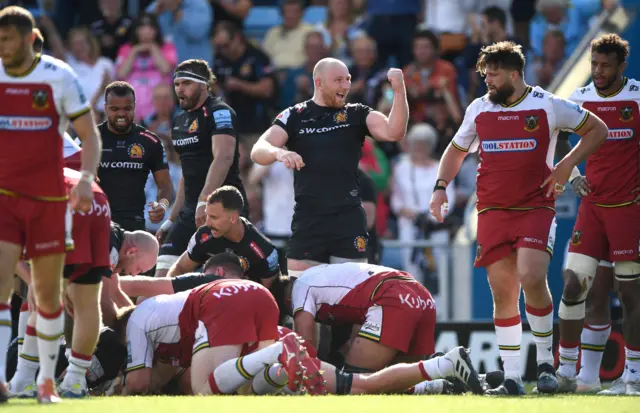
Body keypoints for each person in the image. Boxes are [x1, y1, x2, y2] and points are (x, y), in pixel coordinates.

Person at [428, 41, 608, 395]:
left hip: (535, 207)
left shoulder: (547, 104)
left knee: (531, 276)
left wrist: (566, 164)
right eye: (485, 76)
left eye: (493, 76)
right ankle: (512, 377)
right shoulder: (479, 109)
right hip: (492, 211)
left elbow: (598, 129)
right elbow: (455, 149)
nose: (488, 83)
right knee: (503, 292)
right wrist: (440, 187)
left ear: (514, 74)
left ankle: (544, 363)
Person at [0, 6, 102, 403]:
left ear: (28, 40)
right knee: (3, 286)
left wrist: (87, 181)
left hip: (48, 198)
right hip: (5, 196)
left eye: (8, 40)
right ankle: (3, 382)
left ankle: (45, 380)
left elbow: (89, 135)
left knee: (46, 294)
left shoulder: (60, 76)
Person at [250, 57, 409, 277]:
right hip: (309, 220)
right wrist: (279, 152)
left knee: (350, 296)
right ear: (319, 82)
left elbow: (394, 132)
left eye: (348, 79)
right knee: (302, 294)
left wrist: (399, 91)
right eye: (338, 80)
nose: (345, 85)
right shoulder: (295, 115)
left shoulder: (357, 113)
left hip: (348, 218)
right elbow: (258, 149)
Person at [555, 34, 640, 396]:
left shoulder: (636, 95)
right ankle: (577, 376)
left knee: (632, 295)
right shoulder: (579, 99)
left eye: (606, 65)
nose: (598, 72)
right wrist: (573, 176)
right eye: (594, 64)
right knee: (576, 285)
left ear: (622, 66)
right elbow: (556, 135)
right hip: (593, 207)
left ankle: (633, 379)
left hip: (629, 210)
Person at [114, 277, 321, 395]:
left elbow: (137, 382)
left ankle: (278, 351)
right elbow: (159, 378)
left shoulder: (135, 322)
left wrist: (117, 396)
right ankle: (283, 369)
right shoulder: (160, 329)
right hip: (257, 293)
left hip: (219, 301)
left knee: (204, 392)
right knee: (247, 392)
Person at [9, 168, 112, 399]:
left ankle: (24, 378)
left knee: (44, 300)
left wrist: (34, 283)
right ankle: (75, 380)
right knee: (87, 300)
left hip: (56, 201)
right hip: (95, 198)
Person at [155, 59, 248, 278]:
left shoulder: (219, 112)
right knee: (160, 280)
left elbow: (223, 157)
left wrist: (205, 200)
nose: (180, 89)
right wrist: (171, 219)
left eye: (186, 83)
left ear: (204, 85)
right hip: (191, 212)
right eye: (177, 84)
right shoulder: (179, 121)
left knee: (225, 278)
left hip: (224, 209)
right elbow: (187, 176)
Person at [97, 81, 174, 231]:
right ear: (105, 107)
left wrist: (162, 205)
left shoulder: (150, 141)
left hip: (133, 224)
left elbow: (166, 186)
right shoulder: (89, 139)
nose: (121, 114)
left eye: (127, 109)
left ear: (135, 107)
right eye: (114, 109)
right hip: (97, 221)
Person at [166, 186, 280, 286]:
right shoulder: (204, 235)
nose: (208, 223)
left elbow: (270, 294)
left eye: (214, 217)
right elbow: (179, 269)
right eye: (207, 216)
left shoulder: (262, 250)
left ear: (233, 218)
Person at [102, 222, 159, 325]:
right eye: (138, 269)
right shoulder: (111, 247)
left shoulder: (115, 237)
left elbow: (115, 292)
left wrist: (140, 323)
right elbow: (103, 300)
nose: (134, 275)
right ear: (131, 252)